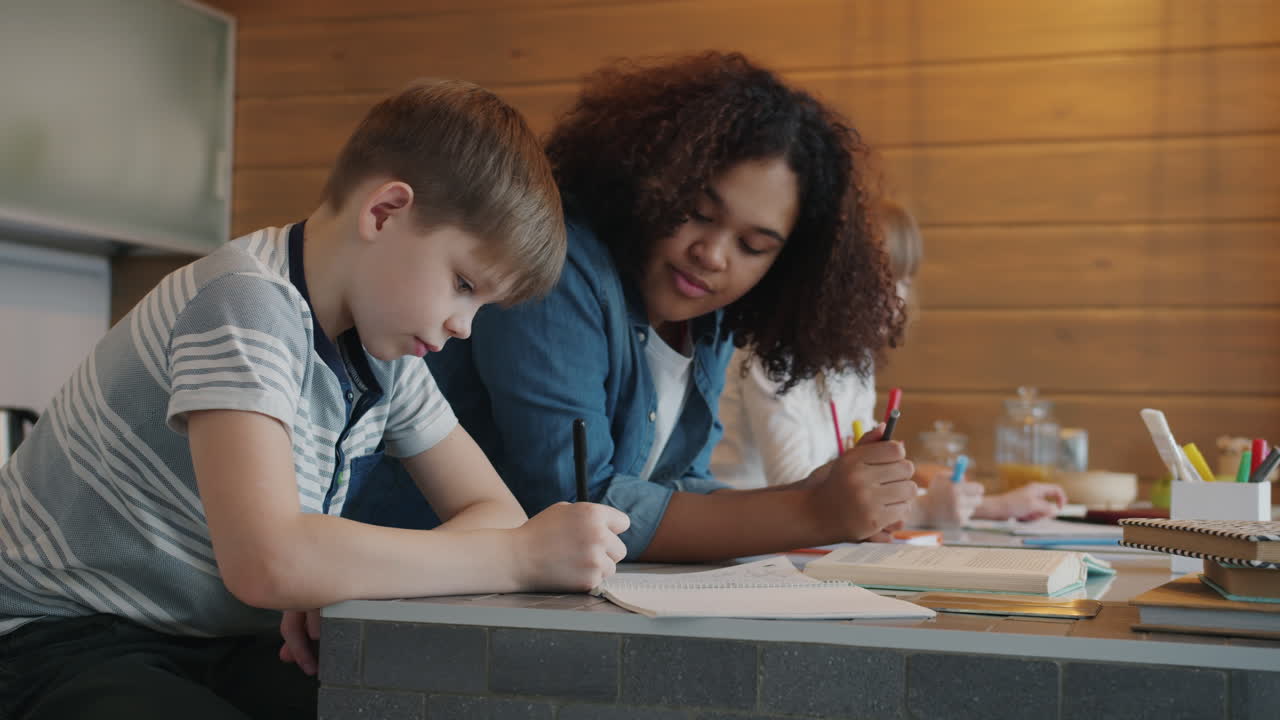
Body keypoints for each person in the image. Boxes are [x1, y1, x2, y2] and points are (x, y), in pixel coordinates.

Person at [0, 79, 628, 720]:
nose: (464, 326)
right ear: (384, 212)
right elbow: (269, 561)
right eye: (464, 284)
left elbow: (492, 509)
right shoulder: (243, 301)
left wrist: (340, 570)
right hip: (57, 633)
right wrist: (520, 559)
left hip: (208, 639)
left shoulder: (388, 356)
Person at [349, 52, 916, 562]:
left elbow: (676, 484)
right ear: (654, 178)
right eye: (698, 213)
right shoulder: (559, 269)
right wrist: (811, 513)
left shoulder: (707, 316)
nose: (713, 255)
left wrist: (814, 494)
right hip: (405, 590)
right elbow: (576, 502)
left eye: (753, 246)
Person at [712, 201, 1066, 527]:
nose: (898, 297)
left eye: (904, 281)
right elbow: (802, 491)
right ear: (828, 283)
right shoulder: (771, 354)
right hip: (740, 541)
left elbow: (863, 485)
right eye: (881, 281)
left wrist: (990, 506)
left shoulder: (853, 364)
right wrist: (926, 511)